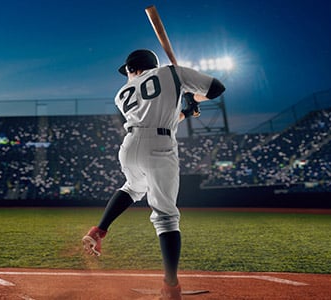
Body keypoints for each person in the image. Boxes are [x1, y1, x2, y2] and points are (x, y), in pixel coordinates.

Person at [81, 49, 225, 300]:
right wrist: (194, 96)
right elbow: (217, 88)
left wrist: (187, 109)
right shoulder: (172, 72)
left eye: (126, 70)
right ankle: (171, 286)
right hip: (159, 147)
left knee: (134, 187)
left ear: (133, 68)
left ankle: (99, 230)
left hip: (130, 145)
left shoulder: (122, 94)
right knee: (166, 216)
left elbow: (160, 115)